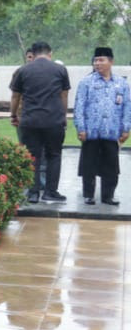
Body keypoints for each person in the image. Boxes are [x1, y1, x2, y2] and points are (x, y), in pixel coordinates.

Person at [10, 40, 71, 203]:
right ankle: (50, 192)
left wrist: (13, 115)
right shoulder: (60, 70)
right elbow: (64, 95)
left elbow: (15, 96)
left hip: (30, 120)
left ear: (34, 54)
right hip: (53, 120)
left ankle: (33, 192)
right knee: (54, 155)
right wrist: (63, 115)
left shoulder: (23, 70)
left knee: (32, 156)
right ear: (50, 54)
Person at [74, 46, 131, 206]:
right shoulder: (86, 82)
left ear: (111, 62)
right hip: (91, 131)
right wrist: (81, 128)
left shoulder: (121, 83)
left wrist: (126, 128)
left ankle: (108, 196)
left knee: (111, 166)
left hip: (112, 131)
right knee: (89, 164)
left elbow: (127, 106)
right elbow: (79, 106)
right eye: (95, 60)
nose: (97, 63)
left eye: (101, 60)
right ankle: (89, 195)